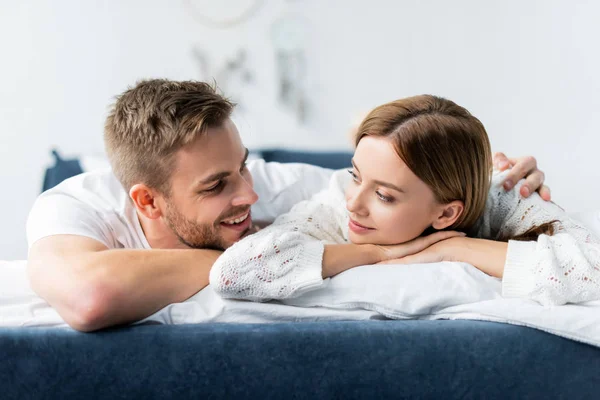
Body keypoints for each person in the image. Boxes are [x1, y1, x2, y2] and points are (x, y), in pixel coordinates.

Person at [26, 80, 550, 332]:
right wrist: (370, 258)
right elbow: (90, 297)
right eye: (215, 187)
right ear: (147, 200)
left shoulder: (282, 186)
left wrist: (496, 178)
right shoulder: (77, 205)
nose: (248, 196)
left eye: (244, 166)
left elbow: (402, 187)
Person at [209, 95, 600, 306]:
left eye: (383, 195)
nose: (355, 204)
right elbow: (232, 275)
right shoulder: (332, 205)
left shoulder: (503, 198)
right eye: (355, 175)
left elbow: (590, 271)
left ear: (448, 213)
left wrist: (457, 249)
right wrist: (380, 253)